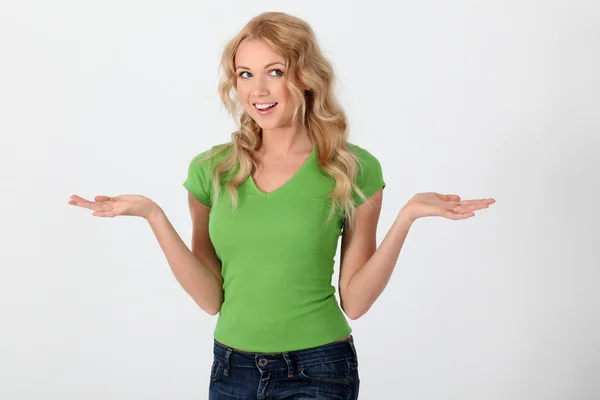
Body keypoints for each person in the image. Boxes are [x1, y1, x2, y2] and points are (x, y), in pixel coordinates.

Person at [68, 11, 495, 400]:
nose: (258, 90)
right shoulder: (211, 170)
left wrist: (407, 217)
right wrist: (153, 216)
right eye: (245, 74)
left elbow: (357, 302)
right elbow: (210, 298)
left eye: (275, 72)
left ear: (305, 77)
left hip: (320, 369)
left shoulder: (352, 168)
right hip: (231, 370)